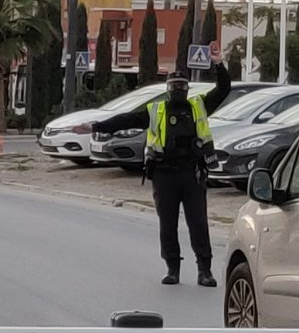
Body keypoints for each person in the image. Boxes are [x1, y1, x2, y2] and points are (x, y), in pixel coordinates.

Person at [76, 50, 231, 287]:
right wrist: (96, 126)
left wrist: (218, 64)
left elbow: (224, 89)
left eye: (182, 86)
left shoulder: (199, 105)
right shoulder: (155, 110)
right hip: (164, 173)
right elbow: (127, 119)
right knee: (167, 225)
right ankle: (172, 269)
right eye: (174, 86)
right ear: (167, 89)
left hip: (192, 173)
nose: (178, 89)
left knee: (198, 223)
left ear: (187, 89)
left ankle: (205, 271)